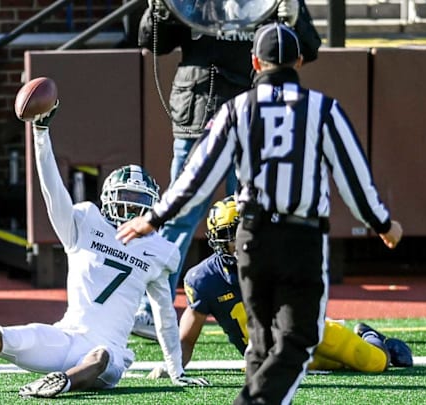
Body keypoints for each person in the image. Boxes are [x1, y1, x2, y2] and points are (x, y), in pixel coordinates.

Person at [116, 22, 403, 404]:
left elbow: (196, 177)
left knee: (263, 344)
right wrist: (382, 223)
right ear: (299, 61)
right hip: (300, 238)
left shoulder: (237, 110)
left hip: (251, 239)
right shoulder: (322, 109)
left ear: (255, 61)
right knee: (297, 340)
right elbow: (353, 177)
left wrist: (154, 218)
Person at [0, 102, 210, 397]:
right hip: (65, 336)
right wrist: (40, 133)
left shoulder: (160, 249)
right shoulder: (86, 221)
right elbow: (52, 191)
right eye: (126, 201)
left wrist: (175, 370)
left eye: (140, 204)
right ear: (108, 198)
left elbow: (165, 316)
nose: (132, 211)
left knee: (101, 355)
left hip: (111, 353)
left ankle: (61, 383)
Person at [132, 0, 322, 340]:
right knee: (178, 218)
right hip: (199, 111)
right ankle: (150, 310)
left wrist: (292, 15)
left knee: (253, 217)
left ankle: (266, 309)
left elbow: (307, 48)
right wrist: (159, 8)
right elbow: (152, 42)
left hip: (252, 115)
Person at [148, 197, 412, 380]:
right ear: (219, 241)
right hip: (271, 356)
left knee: (375, 363)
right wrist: (171, 364)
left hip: (310, 333)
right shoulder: (203, 279)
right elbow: (186, 341)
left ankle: (371, 337)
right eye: (235, 235)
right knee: (337, 366)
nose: (245, 241)